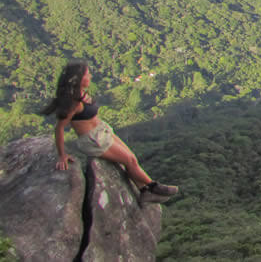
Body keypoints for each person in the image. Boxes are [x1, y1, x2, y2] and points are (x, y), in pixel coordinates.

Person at [43, 59, 178, 205]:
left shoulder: (81, 94)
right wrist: (62, 155)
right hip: (93, 140)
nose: (90, 77)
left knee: (132, 158)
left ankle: (144, 192)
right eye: (87, 75)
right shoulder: (73, 103)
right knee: (130, 160)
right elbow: (59, 128)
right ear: (78, 79)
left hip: (102, 131)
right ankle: (153, 186)